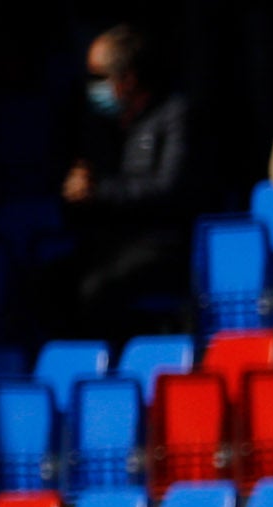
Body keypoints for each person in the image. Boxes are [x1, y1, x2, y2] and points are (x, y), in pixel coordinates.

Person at [63, 26, 200, 330]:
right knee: (50, 283)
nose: (91, 87)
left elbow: (169, 188)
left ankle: (136, 352)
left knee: (94, 289)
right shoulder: (101, 126)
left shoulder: (175, 114)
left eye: (99, 78)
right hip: (115, 243)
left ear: (128, 79)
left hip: (162, 245)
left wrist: (99, 190)